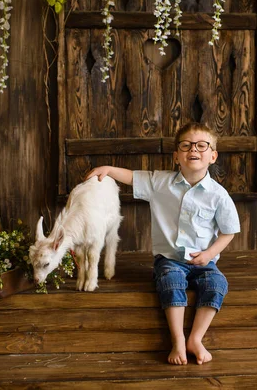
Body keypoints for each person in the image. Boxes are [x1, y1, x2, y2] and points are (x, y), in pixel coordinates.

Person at [85, 122, 240, 365]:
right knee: (171, 281)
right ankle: (178, 340)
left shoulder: (218, 194)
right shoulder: (160, 183)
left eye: (201, 145)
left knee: (217, 283)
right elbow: (132, 177)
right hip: (170, 260)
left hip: (204, 261)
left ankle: (196, 339)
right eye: (186, 145)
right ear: (176, 156)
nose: (194, 150)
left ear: (212, 155)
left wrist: (210, 254)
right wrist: (108, 168)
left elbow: (229, 232)